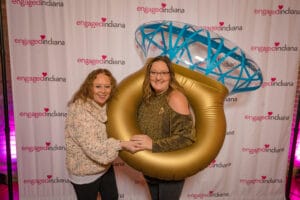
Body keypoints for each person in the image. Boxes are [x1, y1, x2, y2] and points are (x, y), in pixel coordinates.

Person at [64, 68, 138, 200]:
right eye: (98, 86)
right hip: (85, 173)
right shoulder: (80, 112)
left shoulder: (104, 106)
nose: (103, 91)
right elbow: (95, 149)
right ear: (89, 87)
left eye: (107, 87)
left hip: (104, 168)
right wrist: (123, 144)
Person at [131, 56, 197, 200]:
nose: (158, 77)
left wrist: (153, 145)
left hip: (170, 170)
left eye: (163, 73)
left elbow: (186, 138)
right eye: (154, 72)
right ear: (149, 75)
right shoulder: (147, 99)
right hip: (150, 166)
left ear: (170, 76)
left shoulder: (175, 97)